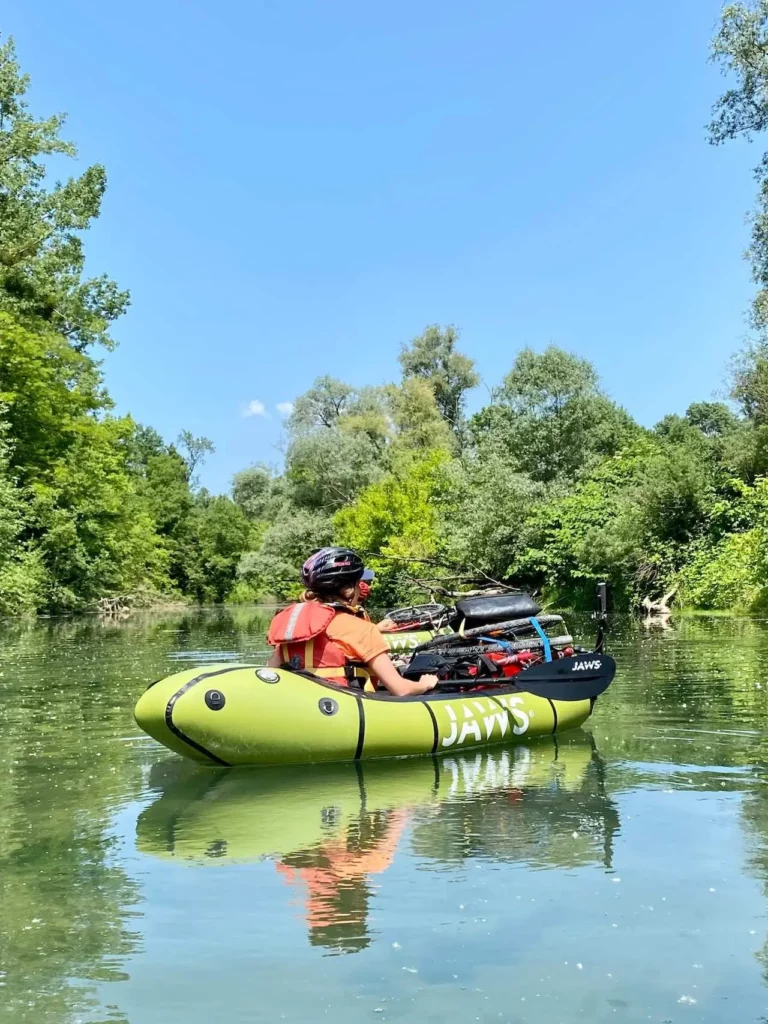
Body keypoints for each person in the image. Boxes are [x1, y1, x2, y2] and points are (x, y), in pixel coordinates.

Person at [267, 547, 438, 696]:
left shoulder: (293, 627)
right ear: (348, 589)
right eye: (358, 584)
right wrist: (425, 684)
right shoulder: (361, 629)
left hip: (301, 705)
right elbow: (401, 689)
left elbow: (270, 672)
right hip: (345, 711)